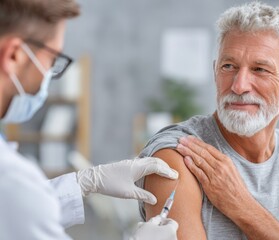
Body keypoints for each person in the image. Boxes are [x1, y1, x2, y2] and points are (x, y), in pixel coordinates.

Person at [136, 2, 279, 239]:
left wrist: (243, 208)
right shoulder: (178, 155)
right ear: (215, 70)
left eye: (260, 69)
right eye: (229, 66)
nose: (239, 86)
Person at [0, 0, 178, 239]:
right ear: (14, 56)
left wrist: (84, 182)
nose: (49, 74)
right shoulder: (10, 178)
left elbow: (15, 209)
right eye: (52, 60)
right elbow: (19, 204)